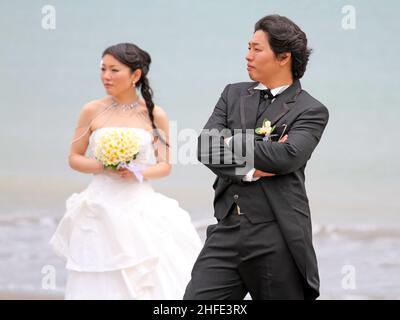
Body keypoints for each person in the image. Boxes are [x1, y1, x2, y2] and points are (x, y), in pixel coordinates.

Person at [184, 15, 329, 300]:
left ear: (283, 57)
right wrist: (248, 170)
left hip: (276, 234)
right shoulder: (233, 93)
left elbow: (288, 156)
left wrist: (231, 139)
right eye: (248, 47)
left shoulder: (311, 110)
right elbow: (204, 147)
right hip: (226, 228)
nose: (247, 55)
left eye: (256, 49)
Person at [50, 43, 202, 300]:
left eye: (114, 70)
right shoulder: (92, 110)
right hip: (99, 205)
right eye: (103, 69)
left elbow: (165, 166)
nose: (105, 76)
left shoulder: (155, 115)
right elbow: (74, 158)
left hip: (139, 205)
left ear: (135, 75)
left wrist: (138, 171)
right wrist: (103, 166)